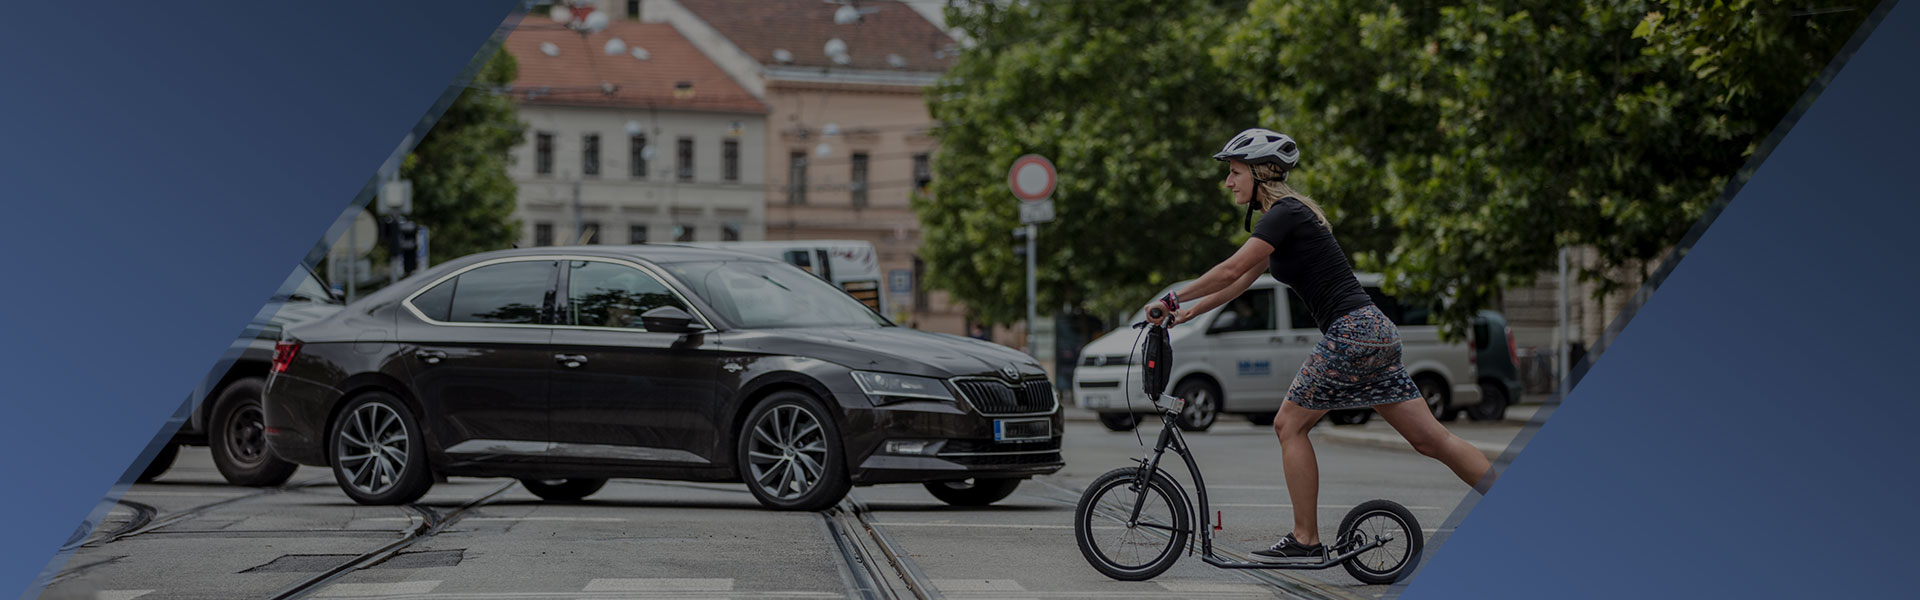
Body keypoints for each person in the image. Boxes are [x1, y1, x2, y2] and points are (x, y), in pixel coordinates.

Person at [1145, 128, 1494, 560]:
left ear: (1260, 173)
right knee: (1431, 441)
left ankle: (1305, 538)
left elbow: (1230, 267)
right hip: (1373, 332)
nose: (1228, 182)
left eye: (1234, 173)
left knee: (1288, 425)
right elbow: (1239, 280)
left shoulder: (1285, 213)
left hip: (1352, 332)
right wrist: (1188, 314)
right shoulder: (1283, 220)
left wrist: (1172, 296)